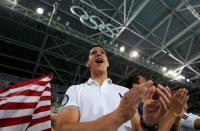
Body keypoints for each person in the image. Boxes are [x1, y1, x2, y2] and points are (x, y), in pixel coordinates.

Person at [55, 45, 170, 131]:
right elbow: (62, 128)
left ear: (108, 62)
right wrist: (119, 116)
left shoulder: (125, 92)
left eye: (102, 53)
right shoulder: (75, 90)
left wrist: (147, 124)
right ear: (88, 63)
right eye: (94, 53)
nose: (98, 54)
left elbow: (137, 128)